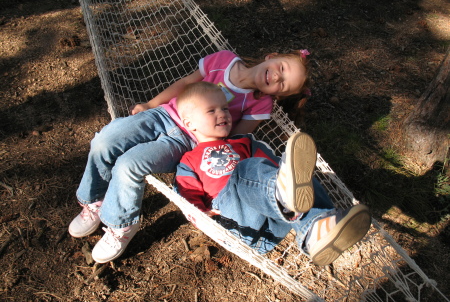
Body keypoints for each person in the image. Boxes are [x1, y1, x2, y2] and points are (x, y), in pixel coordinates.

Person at [68, 49, 312, 264]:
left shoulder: (260, 105)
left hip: (186, 142)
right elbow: (185, 83)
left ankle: (121, 224)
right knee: (103, 142)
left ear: (278, 95)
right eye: (282, 68)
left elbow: (234, 142)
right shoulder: (224, 60)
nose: (277, 77)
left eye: (283, 85)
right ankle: (94, 200)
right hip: (162, 115)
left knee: (128, 164)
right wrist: (151, 104)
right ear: (272, 56)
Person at [175, 82, 371, 266]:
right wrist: (202, 216)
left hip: (274, 219)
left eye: (225, 108)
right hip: (236, 221)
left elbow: (280, 170)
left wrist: (284, 175)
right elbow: (186, 195)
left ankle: (316, 229)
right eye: (212, 110)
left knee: (296, 173)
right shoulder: (189, 160)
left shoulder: (245, 142)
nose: (223, 114)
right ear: (190, 123)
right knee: (245, 169)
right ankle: (282, 192)